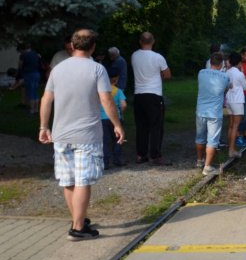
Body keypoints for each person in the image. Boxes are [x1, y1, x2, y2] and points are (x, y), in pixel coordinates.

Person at [39, 29, 124, 240]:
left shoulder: (57, 69)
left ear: (73, 45)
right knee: (82, 181)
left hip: (60, 134)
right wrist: (117, 124)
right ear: (93, 47)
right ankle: (78, 228)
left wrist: (43, 127)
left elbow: (46, 99)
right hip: (87, 135)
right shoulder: (97, 69)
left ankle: (78, 218)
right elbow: (106, 100)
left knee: (68, 180)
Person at [131, 32, 171, 166]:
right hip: (154, 94)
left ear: (140, 41)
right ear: (153, 41)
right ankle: (154, 155)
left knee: (141, 126)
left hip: (138, 94)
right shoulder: (158, 57)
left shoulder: (134, 55)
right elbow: (167, 74)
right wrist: (158, 73)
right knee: (156, 126)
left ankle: (141, 154)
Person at [195, 52, 231, 176]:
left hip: (201, 110)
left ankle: (200, 161)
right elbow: (225, 91)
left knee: (200, 137)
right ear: (222, 63)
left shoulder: (201, 73)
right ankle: (207, 167)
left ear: (210, 62)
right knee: (212, 140)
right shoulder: (225, 77)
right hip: (215, 113)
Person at [100, 70, 127, 169]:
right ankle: (117, 159)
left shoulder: (101, 92)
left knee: (105, 140)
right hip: (115, 118)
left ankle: (105, 162)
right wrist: (121, 113)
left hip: (102, 119)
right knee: (117, 139)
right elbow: (124, 104)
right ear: (116, 81)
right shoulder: (118, 91)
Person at [225, 52, 246, 158]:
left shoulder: (227, 72)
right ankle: (232, 150)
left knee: (230, 125)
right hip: (237, 101)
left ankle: (230, 146)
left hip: (228, 100)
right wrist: (242, 72)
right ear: (239, 62)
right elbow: (245, 87)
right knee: (235, 127)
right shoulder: (239, 74)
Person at [17, 43, 42, 115]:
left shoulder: (23, 55)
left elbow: (20, 66)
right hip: (37, 74)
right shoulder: (34, 53)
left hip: (29, 75)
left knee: (30, 93)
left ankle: (32, 110)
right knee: (35, 92)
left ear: (21, 49)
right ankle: (36, 109)